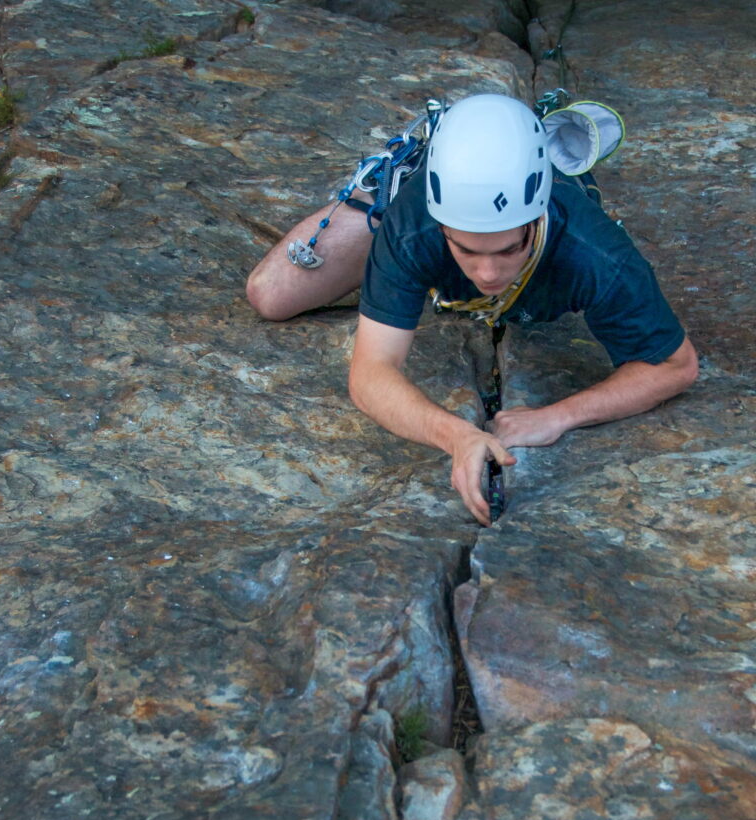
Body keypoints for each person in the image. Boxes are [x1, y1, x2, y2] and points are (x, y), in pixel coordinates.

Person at [247, 93, 699, 526]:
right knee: (270, 296)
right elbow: (371, 373)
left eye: (507, 249)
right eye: (466, 249)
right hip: (411, 216)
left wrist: (558, 416)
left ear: (535, 217)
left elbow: (675, 366)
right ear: (440, 223)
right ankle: (401, 175)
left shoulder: (594, 253)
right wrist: (456, 435)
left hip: (504, 237)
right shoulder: (412, 224)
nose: (486, 274)